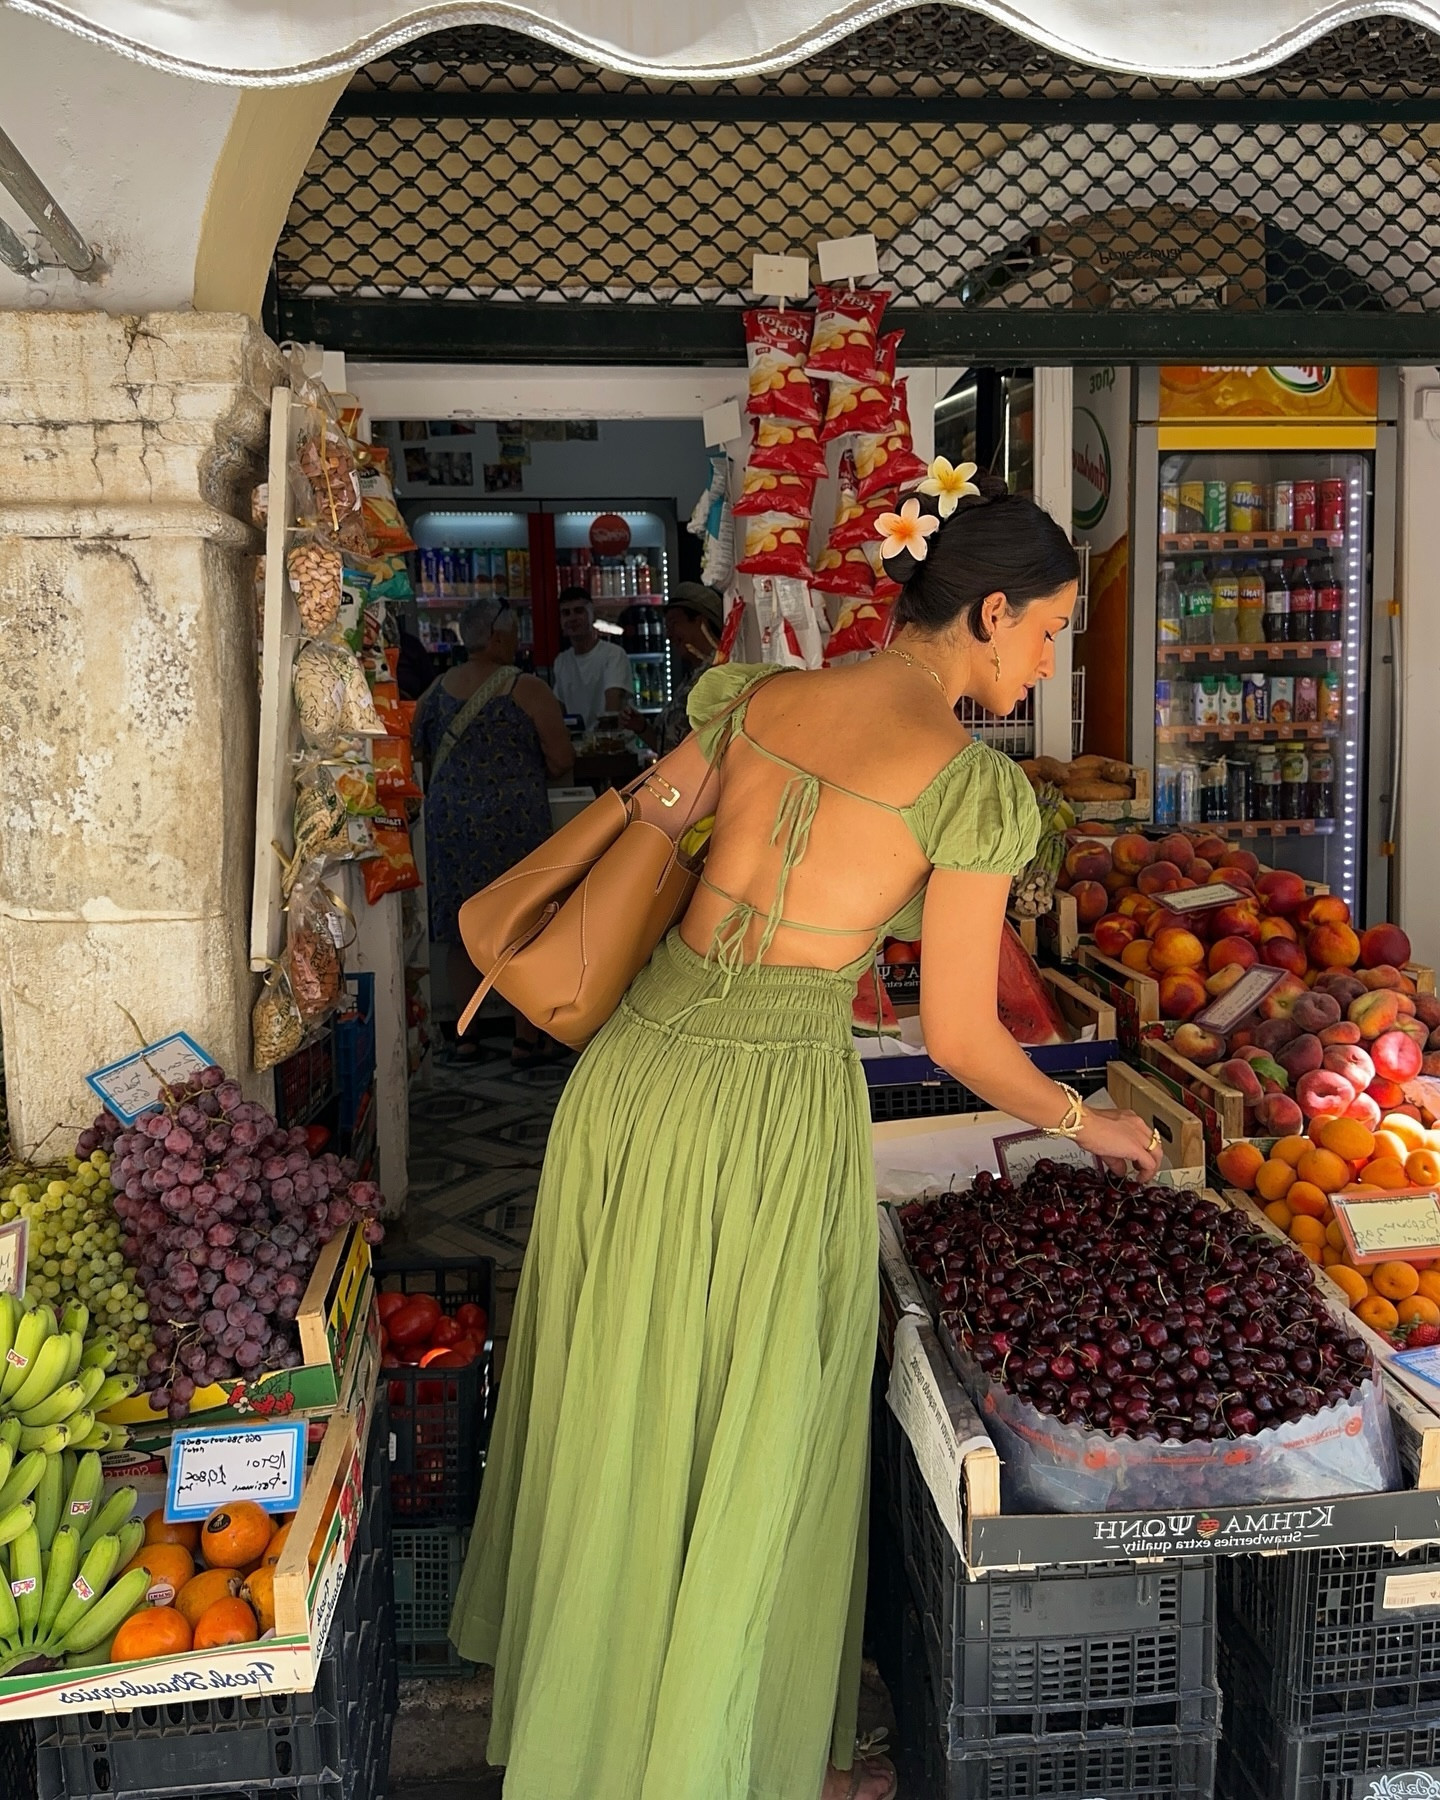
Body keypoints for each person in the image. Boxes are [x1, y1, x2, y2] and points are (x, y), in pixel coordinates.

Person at [449, 471, 1161, 1799]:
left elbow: (684, 842)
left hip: (634, 1077)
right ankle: (725, 1754)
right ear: (990, 612)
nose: (1051, 657)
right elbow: (961, 1037)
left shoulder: (761, 699)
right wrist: (1085, 1118)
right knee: (760, 1420)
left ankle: (600, 1726)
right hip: (766, 1109)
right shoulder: (970, 791)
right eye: (1052, 629)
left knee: (630, 1403)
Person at [412, 599, 574, 1069]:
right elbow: (562, 760)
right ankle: (526, 1041)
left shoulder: (435, 690)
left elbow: (416, 750)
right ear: (500, 637)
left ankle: (466, 1037)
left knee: (462, 930)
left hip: (451, 824)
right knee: (523, 924)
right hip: (513, 822)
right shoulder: (526, 688)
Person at [621, 579, 723, 755]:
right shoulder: (691, 677)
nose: (669, 635)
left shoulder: (721, 673)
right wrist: (642, 727)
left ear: (700, 622)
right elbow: (668, 747)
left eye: (674, 624)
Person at [552, 586, 633, 727]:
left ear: (593, 614)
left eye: (579, 611)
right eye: (566, 613)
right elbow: (558, 712)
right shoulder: (561, 661)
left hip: (613, 744)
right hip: (579, 745)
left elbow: (612, 711)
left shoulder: (613, 655)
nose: (572, 618)